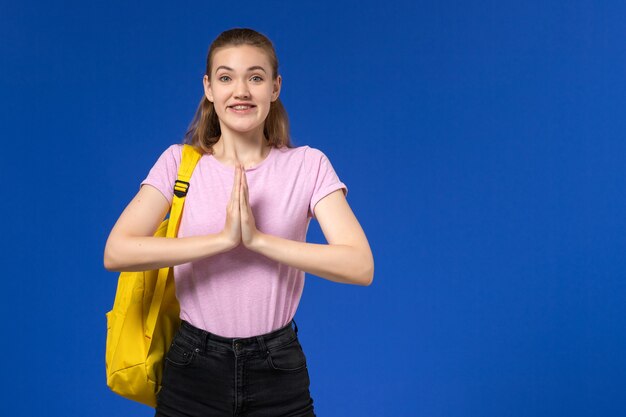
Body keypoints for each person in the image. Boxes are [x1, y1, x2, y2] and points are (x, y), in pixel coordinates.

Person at [104, 27, 374, 417]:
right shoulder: (179, 164)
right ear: (209, 88)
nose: (241, 91)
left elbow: (360, 266)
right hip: (192, 365)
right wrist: (223, 240)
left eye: (256, 77)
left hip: (277, 366)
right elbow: (117, 251)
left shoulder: (308, 165)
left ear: (275, 88)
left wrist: (259, 241)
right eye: (226, 77)